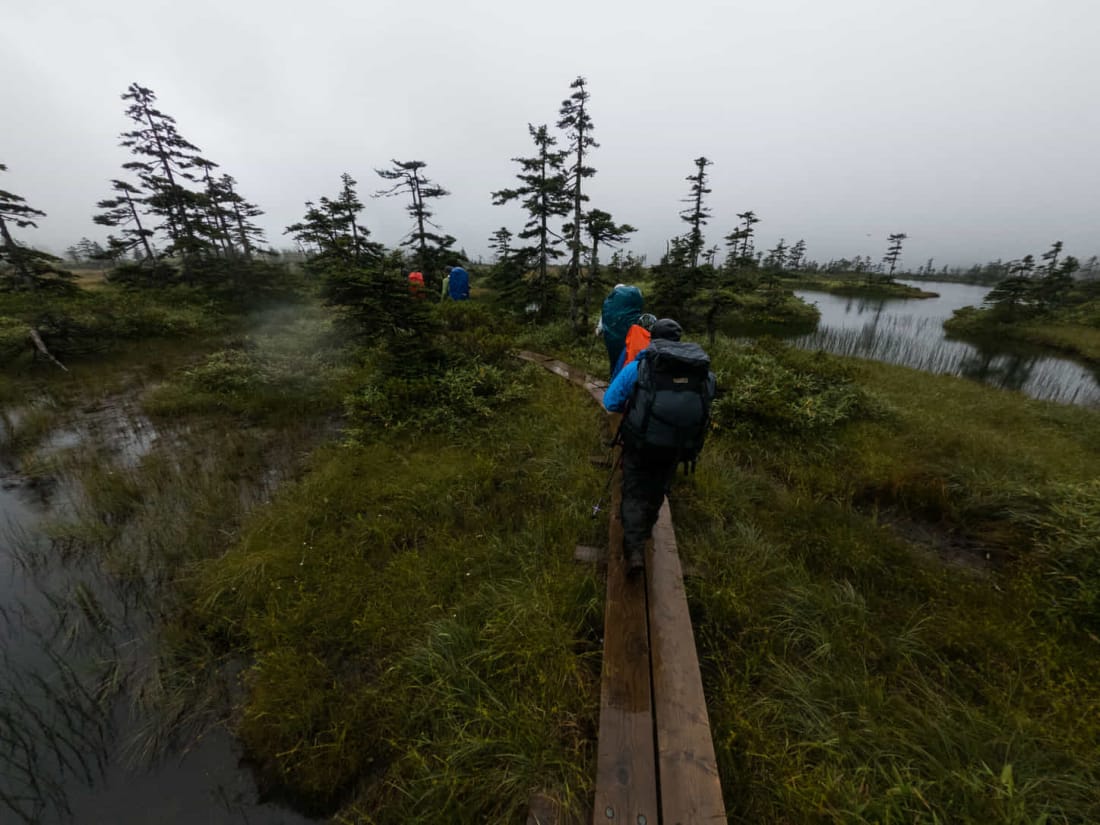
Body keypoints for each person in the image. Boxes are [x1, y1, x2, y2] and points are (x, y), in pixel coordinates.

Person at [603, 318, 716, 575]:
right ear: (679, 340)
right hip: (678, 446)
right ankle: (646, 530)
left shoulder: (641, 366)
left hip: (640, 443)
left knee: (633, 491)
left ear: (652, 338)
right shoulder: (702, 373)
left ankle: (633, 550)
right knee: (657, 489)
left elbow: (610, 401)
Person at [597, 284, 643, 376]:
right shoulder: (632, 310)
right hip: (631, 343)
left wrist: (599, 330)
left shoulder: (608, 308)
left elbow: (600, 329)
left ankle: (614, 381)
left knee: (615, 363)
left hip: (612, 342)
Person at [610, 313, 657, 380]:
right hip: (646, 381)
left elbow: (619, 365)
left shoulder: (632, 340)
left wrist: (613, 381)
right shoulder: (656, 344)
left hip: (627, 377)